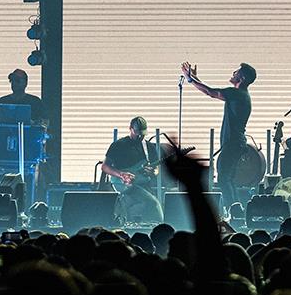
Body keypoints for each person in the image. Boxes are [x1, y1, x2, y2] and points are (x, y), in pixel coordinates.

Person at [181, 61, 256, 210]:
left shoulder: (237, 94)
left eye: (236, 72)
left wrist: (190, 79)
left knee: (223, 179)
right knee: (228, 179)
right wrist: (194, 78)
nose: (233, 73)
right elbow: (210, 90)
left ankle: (232, 210)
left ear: (242, 78)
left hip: (233, 144)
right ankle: (236, 211)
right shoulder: (240, 95)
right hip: (235, 143)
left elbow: (210, 92)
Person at [101, 117, 164, 224]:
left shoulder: (149, 147)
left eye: (142, 134)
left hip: (143, 184)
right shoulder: (119, 145)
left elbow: (156, 169)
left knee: (147, 207)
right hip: (123, 183)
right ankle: (161, 227)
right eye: (137, 133)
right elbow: (105, 166)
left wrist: (153, 172)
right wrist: (121, 174)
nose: (140, 136)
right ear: (130, 129)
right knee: (154, 204)